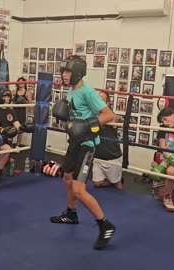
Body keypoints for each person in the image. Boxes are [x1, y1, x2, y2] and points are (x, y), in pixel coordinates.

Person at [50, 55, 116, 250]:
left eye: (68, 71)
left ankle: (105, 225)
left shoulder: (88, 92)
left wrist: (87, 125)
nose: (64, 75)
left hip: (87, 145)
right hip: (75, 143)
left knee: (79, 190)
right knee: (67, 177)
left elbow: (110, 115)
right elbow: (74, 115)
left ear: (78, 72)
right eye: (63, 71)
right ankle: (71, 214)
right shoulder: (71, 91)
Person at [0, 88, 34, 183]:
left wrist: (24, 127)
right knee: (7, 150)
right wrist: (4, 130)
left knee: (6, 154)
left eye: (8, 96)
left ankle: (1, 166)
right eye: (5, 96)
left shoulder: (11, 111)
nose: (7, 99)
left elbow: (17, 125)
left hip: (8, 138)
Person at [150, 107, 174, 212]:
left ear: (173, 115)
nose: (164, 123)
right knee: (158, 196)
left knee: (170, 171)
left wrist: (164, 161)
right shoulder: (163, 129)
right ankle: (162, 190)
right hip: (163, 158)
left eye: (165, 119)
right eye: (162, 121)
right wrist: (163, 160)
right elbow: (162, 147)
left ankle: (168, 198)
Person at [91, 91, 123, 189]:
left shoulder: (112, 116)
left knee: (117, 184)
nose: (99, 103)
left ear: (108, 103)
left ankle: (120, 196)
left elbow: (114, 119)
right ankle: (111, 181)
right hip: (98, 156)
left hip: (112, 156)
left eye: (102, 100)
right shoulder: (93, 115)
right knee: (97, 183)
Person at [11, 77, 33, 148]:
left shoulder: (27, 93)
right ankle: (9, 144)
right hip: (14, 112)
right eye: (19, 82)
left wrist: (24, 101)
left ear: (24, 83)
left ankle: (17, 145)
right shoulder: (14, 92)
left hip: (21, 112)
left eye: (22, 82)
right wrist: (13, 100)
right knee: (11, 128)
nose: (20, 83)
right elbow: (8, 100)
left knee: (20, 129)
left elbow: (30, 104)